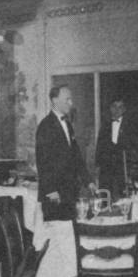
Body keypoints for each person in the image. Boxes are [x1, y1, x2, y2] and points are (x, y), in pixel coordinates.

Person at [35, 85, 89, 221]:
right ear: (54, 100)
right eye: (67, 100)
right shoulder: (45, 126)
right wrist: (51, 191)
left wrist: (88, 181)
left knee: (70, 233)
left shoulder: (68, 125)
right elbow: (42, 162)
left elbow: (76, 156)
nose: (71, 103)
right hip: (54, 195)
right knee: (56, 235)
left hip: (69, 191)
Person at [94, 98, 138, 197]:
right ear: (110, 108)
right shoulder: (105, 125)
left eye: (120, 107)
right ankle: (105, 209)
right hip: (106, 164)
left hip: (122, 164)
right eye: (114, 106)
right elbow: (100, 144)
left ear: (124, 110)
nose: (117, 110)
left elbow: (133, 146)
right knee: (105, 191)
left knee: (123, 192)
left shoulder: (130, 126)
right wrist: (97, 164)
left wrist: (131, 164)